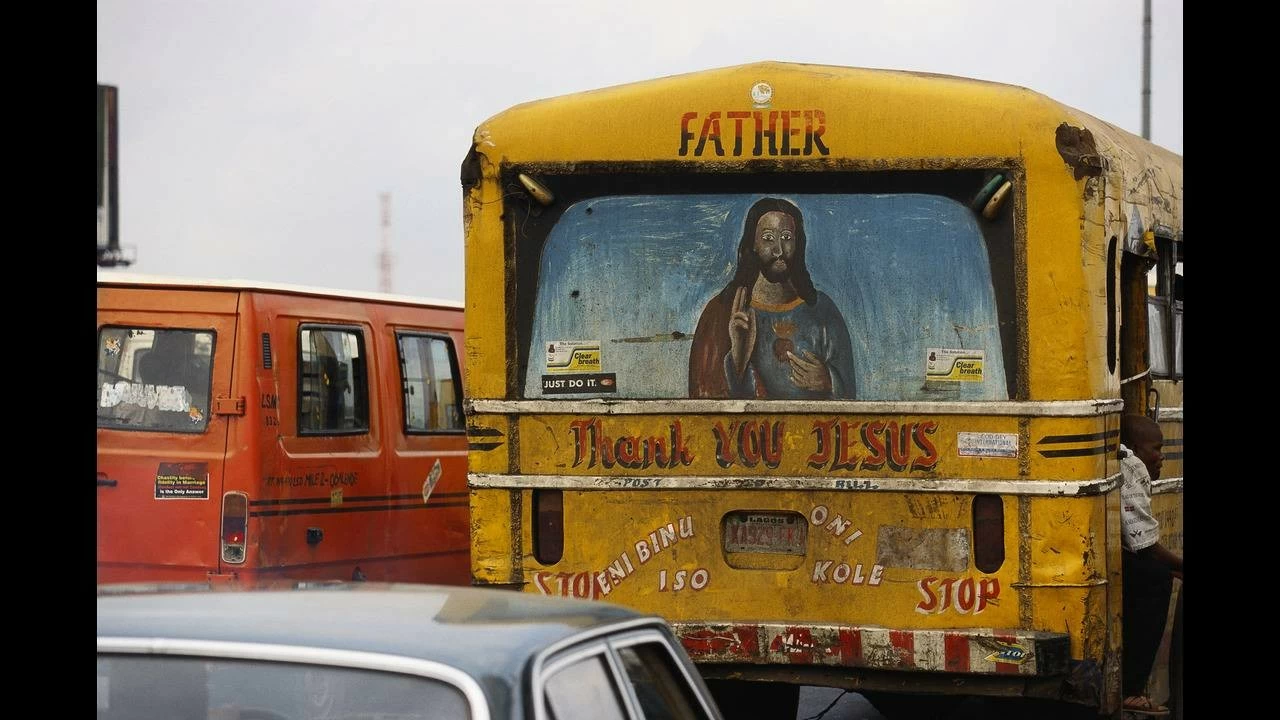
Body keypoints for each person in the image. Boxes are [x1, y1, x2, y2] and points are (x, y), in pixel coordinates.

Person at [688, 197, 856, 399]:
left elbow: (849, 393)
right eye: (768, 238)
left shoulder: (822, 311)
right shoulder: (722, 311)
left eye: (786, 237)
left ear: (798, 244)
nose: (779, 250)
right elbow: (702, 399)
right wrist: (737, 362)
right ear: (753, 245)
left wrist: (830, 381)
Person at [1118, 413, 1183, 717]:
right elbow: (1144, 546)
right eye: (1155, 449)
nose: (1161, 457)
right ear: (1134, 447)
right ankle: (1131, 687)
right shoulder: (1131, 465)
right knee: (1155, 580)